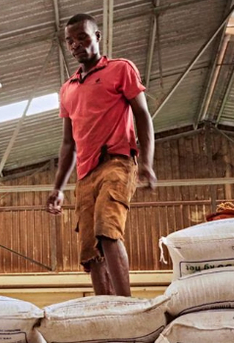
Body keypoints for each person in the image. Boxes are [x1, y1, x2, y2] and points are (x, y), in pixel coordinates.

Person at [46, 14, 156, 297]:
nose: (75, 45)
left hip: (117, 161)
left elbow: (142, 115)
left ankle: (127, 305)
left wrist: (146, 162)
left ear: (97, 36)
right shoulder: (67, 88)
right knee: (89, 250)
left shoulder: (121, 69)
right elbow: (68, 143)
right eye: (70, 41)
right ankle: (106, 310)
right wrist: (58, 188)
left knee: (107, 230)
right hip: (85, 174)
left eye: (82, 37)